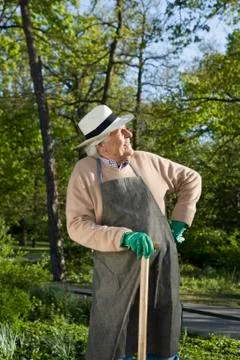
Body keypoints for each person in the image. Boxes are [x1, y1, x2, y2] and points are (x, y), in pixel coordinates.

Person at [66, 105, 202, 360]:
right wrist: (123, 237)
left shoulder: (146, 161)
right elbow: (77, 226)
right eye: (119, 131)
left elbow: (191, 179)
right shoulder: (86, 172)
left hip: (161, 268)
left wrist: (181, 220)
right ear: (101, 145)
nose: (129, 133)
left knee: (161, 336)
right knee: (115, 340)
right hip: (117, 274)